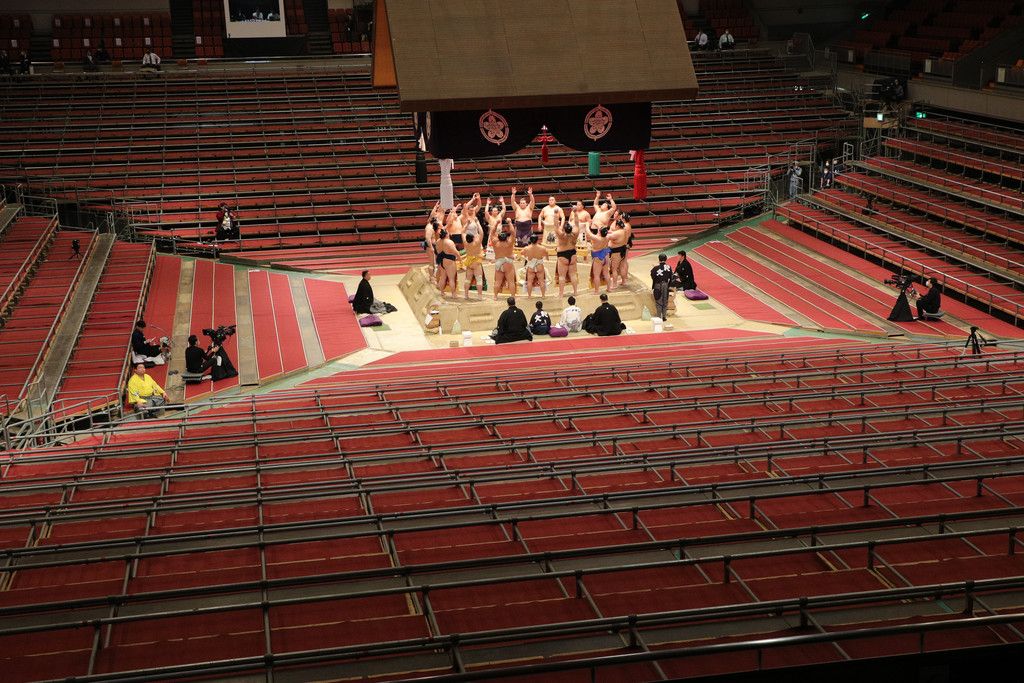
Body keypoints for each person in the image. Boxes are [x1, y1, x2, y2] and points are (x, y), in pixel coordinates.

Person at [555, 213, 579, 297]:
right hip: (572, 254)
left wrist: (555, 215)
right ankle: (575, 292)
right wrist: (575, 213)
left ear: (564, 230)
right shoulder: (575, 234)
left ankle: (561, 294)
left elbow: (555, 227)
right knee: (573, 274)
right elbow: (577, 223)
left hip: (562, 255)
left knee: (562, 276)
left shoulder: (561, 236)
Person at [584, 224, 612, 293]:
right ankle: (609, 288)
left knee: (596, 275)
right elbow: (604, 232)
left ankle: (596, 291)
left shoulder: (597, 238)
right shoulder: (607, 237)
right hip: (605, 255)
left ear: (599, 232)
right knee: (606, 273)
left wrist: (587, 225)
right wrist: (598, 226)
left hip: (598, 257)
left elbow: (589, 233)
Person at [491, 224, 516, 299]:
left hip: (499, 263)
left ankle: (495, 296)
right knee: (511, 281)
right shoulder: (509, 243)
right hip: (508, 263)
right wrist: (510, 223)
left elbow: (492, 232)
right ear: (506, 238)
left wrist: (496, 223)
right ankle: (513, 296)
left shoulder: (495, 243)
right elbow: (513, 233)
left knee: (497, 281)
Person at [435, 229, 459, 298]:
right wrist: (460, 259)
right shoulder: (449, 242)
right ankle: (453, 294)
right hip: (449, 260)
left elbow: (437, 251)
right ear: (446, 234)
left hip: (441, 260)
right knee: (451, 278)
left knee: (443, 277)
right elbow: (456, 252)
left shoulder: (438, 241)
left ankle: (442, 292)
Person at [462, 233, 485, 299]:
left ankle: (466, 295)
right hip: (476, 263)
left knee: (467, 279)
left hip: (469, 263)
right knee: (479, 279)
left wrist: (466, 227)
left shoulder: (465, 243)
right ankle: (480, 296)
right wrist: (478, 226)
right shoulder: (477, 244)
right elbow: (481, 234)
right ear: (473, 238)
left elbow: (462, 233)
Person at [651, 254, 674, 321]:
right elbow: (671, 277)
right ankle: (664, 317)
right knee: (665, 301)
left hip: (658, 285)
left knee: (658, 301)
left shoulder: (655, 268)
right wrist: (668, 285)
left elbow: (652, 276)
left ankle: (659, 317)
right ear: (666, 259)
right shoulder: (669, 267)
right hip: (666, 285)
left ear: (659, 259)